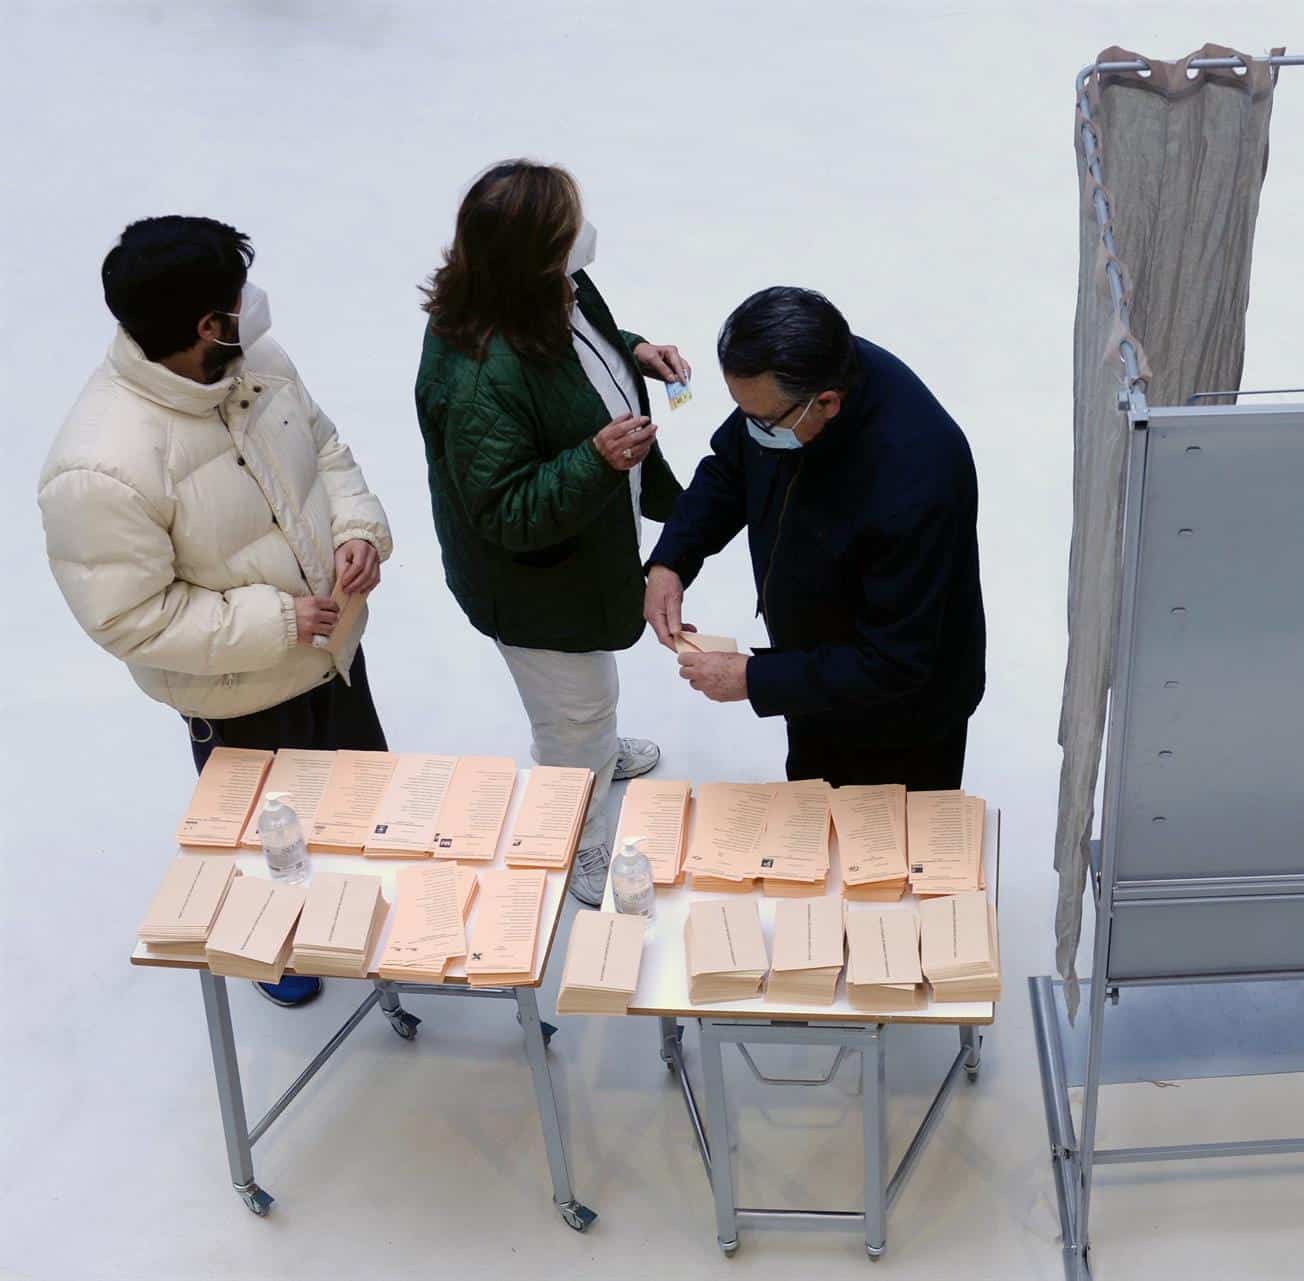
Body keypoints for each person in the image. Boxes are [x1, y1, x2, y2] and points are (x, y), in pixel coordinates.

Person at [39, 215, 393, 1008]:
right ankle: (285, 952)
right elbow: (131, 618)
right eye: (240, 298)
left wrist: (361, 530)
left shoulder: (257, 361)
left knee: (369, 813)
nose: (256, 305)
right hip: (243, 703)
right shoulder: (99, 465)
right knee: (279, 855)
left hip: (336, 657)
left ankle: (372, 918)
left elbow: (326, 451)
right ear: (207, 323)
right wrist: (279, 622)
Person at [415, 160, 689, 906]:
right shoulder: (480, 374)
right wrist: (595, 460)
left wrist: (628, 350)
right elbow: (503, 511)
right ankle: (578, 834)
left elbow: (577, 342)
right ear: (534, 255)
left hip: (584, 552)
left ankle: (592, 752)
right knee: (576, 707)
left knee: (587, 696)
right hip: (534, 587)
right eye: (569, 227)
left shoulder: (550, 291)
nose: (585, 236)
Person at [644, 286, 985, 790]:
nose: (750, 426)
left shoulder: (918, 475)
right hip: (814, 679)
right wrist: (672, 558)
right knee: (812, 818)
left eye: (759, 418)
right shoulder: (789, 395)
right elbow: (729, 470)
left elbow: (896, 659)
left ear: (826, 402)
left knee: (886, 852)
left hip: (901, 720)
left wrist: (754, 680)